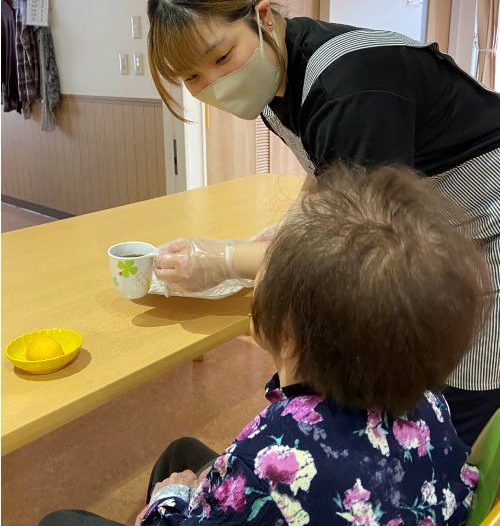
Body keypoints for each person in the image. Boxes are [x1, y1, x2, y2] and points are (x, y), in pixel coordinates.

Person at [147, 0, 500, 446]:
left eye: (222, 57)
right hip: (432, 234)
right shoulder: (276, 82)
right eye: (193, 78)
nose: (216, 84)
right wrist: (289, 230)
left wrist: (227, 259)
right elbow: (327, 173)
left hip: (485, 233)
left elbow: (355, 250)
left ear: (262, 17)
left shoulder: (350, 87)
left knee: (454, 405)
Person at [39, 163, 491, 525]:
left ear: (290, 336)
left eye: (260, 283)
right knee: (181, 452)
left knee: (62, 519)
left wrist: (169, 498)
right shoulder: (428, 403)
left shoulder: (269, 457)